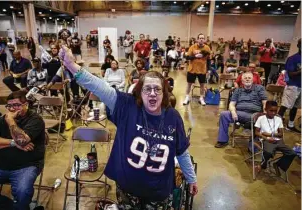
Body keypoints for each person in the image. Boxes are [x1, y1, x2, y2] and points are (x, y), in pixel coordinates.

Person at [59, 45, 198, 209]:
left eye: (157, 89)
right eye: (147, 89)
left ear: (164, 93)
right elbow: (98, 86)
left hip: (158, 192)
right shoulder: (127, 106)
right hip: (127, 189)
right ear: (140, 92)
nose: (152, 93)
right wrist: (71, 65)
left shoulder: (173, 117)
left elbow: (181, 151)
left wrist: (191, 178)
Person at [0, 90, 45, 210]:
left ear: (26, 105)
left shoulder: (35, 119)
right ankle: (9, 206)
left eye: (17, 105)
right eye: (9, 105)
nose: (12, 109)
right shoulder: (3, 119)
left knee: (23, 192)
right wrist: (13, 143)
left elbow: (22, 141)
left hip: (26, 166)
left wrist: (10, 121)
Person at [215, 72, 267, 148]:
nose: (247, 79)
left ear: (253, 80)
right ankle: (222, 140)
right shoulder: (238, 90)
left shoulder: (259, 88)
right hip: (239, 114)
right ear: (242, 81)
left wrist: (264, 114)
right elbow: (232, 104)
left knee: (258, 120)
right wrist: (233, 112)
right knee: (224, 114)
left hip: (255, 114)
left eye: (249, 78)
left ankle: (252, 147)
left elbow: (265, 102)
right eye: (245, 78)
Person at [254, 101, 296, 174]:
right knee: (268, 153)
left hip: (277, 140)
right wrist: (266, 137)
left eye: (275, 111)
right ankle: (262, 164)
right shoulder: (261, 118)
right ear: (266, 109)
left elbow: (281, 134)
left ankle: (277, 164)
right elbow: (256, 132)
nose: (273, 113)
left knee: (292, 153)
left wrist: (269, 134)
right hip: (265, 140)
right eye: (271, 110)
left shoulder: (278, 119)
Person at [278, 38, 301, 133]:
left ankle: (290, 125)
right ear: (299, 45)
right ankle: (276, 124)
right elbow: (290, 74)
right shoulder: (293, 58)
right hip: (293, 85)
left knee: (295, 107)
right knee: (285, 106)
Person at [183, 33, 211, 106]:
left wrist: (209, 69)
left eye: (202, 38)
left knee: (202, 84)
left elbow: (209, 60)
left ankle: (201, 98)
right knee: (189, 84)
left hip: (202, 70)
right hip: (192, 69)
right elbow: (187, 58)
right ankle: (187, 97)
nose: (201, 39)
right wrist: (195, 56)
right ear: (198, 39)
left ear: (204, 40)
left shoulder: (207, 48)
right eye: (200, 38)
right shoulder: (192, 47)